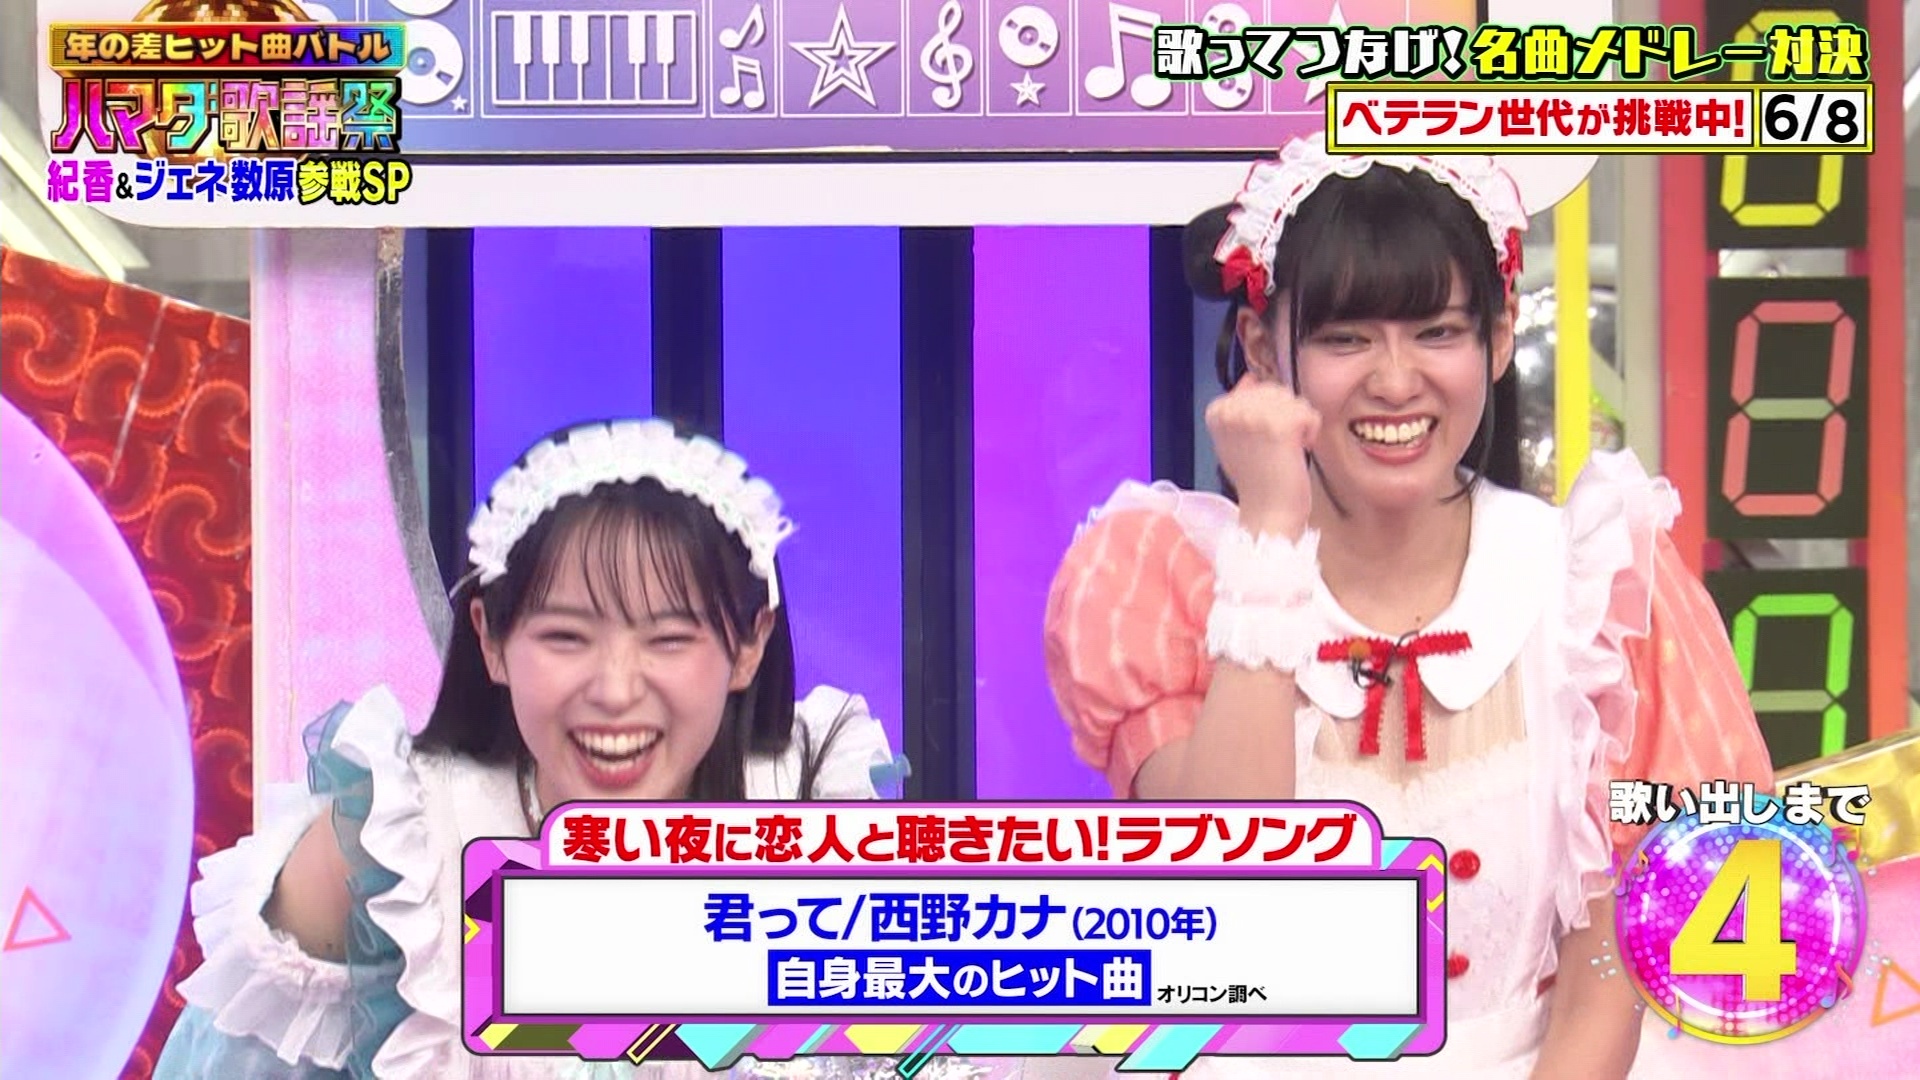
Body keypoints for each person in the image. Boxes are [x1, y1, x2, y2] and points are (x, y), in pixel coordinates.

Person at [1042, 135, 1773, 1078]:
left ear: (1498, 339)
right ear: (1263, 348)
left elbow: (1617, 954)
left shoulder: (1595, 590)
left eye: (1436, 332)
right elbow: (1221, 879)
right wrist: (1269, 537)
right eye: (1345, 338)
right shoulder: (1165, 573)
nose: (1394, 380)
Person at [155, 419, 903, 1079]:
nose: (615, 690)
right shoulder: (398, 848)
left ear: (749, 646)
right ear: (491, 638)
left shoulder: (817, 808)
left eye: (670, 639)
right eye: (566, 637)